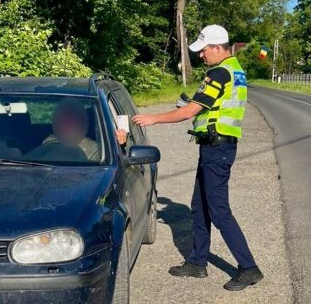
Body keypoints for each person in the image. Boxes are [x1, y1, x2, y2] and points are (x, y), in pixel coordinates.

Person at [132, 24, 263, 291]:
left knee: (218, 211)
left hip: (218, 150)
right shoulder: (234, 69)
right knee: (200, 207)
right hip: (216, 147)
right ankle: (197, 262)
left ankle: (249, 268)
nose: (201, 55)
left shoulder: (218, 73)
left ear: (216, 47)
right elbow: (210, 106)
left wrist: (153, 118)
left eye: (203, 50)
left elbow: (189, 112)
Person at [36, 99, 127, 161]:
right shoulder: (50, 140)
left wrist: (118, 145)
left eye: (71, 118)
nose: (67, 122)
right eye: (63, 118)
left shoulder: (95, 148)